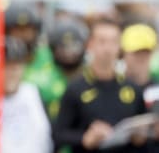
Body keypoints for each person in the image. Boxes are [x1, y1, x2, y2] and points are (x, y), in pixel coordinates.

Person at [53, 18, 149, 153]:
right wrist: (84, 138)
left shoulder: (133, 89)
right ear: (90, 44)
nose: (108, 49)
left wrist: (141, 137)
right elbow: (58, 134)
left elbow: (144, 130)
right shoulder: (75, 89)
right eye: (102, 41)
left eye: (113, 41)